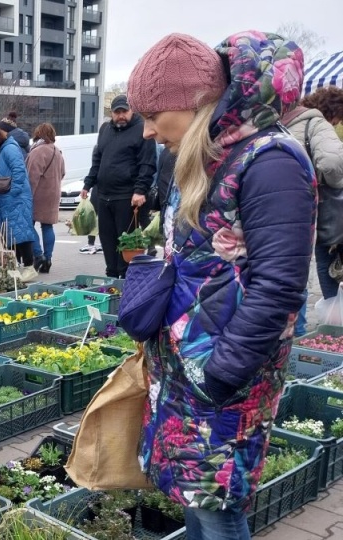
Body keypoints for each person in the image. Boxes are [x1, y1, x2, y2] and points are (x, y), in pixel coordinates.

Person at [127, 31, 314, 539]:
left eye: (152, 114)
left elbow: (279, 287)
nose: (146, 131)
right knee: (196, 496)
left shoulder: (270, 161)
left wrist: (220, 373)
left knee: (216, 508)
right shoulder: (207, 157)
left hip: (223, 375)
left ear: (193, 103)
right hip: (188, 369)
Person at [284, 85, 343, 333]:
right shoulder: (317, 124)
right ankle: (331, 331)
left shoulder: (284, 123)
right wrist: (325, 181)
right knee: (321, 263)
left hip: (283, 209)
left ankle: (326, 329)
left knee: (291, 273)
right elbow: (331, 164)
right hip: (315, 211)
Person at [81, 95, 157, 278]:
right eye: (117, 112)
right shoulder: (105, 130)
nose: (121, 115)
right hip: (104, 196)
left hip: (127, 197)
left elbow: (147, 164)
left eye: (125, 111)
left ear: (132, 111)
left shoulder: (142, 129)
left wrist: (140, 190)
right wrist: (88, 183)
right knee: (107, 241)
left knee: (127, 243)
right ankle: (112, 276)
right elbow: (98, 158)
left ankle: (127, 279)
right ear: (112, 113)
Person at [0, 126, 39, 282]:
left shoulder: (9, 150)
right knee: (12, 234)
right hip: (8, 199)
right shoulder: (4, 151)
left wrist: (14, 193)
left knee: (21, 232)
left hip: (15, 199)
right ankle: (16, 267)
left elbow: (19, 171)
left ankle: (29, 266)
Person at [27, 123, 66, 274]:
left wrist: (28, 196)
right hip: (53, 194)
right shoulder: (58, 152)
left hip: (38, 194)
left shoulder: (38, 151)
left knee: (28, 225)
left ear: (38, 134)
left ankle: (38, 255)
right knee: (47, 226)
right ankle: (48, 259)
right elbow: (62, 173)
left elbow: (32, 176)